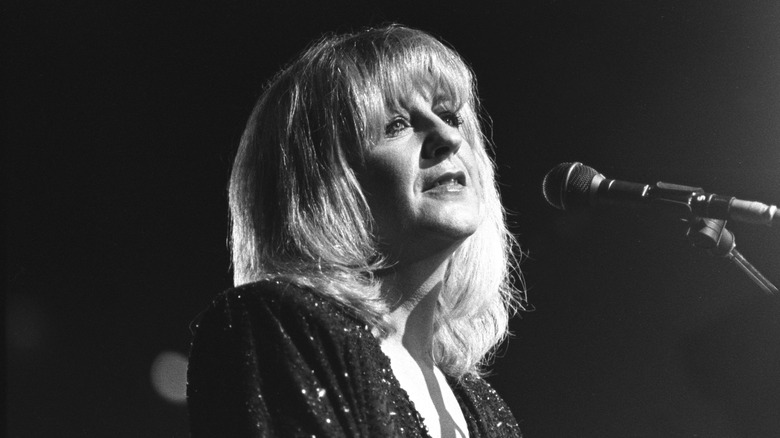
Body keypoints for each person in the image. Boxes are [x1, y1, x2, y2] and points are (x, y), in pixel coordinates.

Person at [187, 24, 527, 438]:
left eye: (451, 115)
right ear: (323, 184)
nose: (448, 136)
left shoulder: (481, 405)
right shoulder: (278, 327)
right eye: (397, 125)